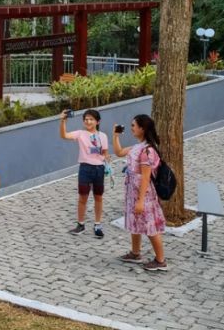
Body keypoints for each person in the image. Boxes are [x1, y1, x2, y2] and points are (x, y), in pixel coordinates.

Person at [111, 114, 168, 271]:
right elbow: (119, 152)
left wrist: (141, 201)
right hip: (133, 192)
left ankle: (160, 260)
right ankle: (135, 253)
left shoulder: (147, 151)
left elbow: (145, 177)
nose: (131, 128)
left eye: (133, 126)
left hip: (144, 194)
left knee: (150, 226)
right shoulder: (138, 147)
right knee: (135, 222)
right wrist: (115, 136)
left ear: (142, 129)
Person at [59, 109, 110, 237]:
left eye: (91, 119)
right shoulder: (80, 134)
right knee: (83, 197)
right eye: (86, 119)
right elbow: (64, 135)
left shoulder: (103, 136)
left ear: (98, 121)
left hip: (99, 169)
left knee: (98, 197)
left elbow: (105, 153)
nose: (88, 121)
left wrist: (107, 161)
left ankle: (97, 224)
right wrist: (63, 121)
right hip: (85, 169)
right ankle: (80, 224)